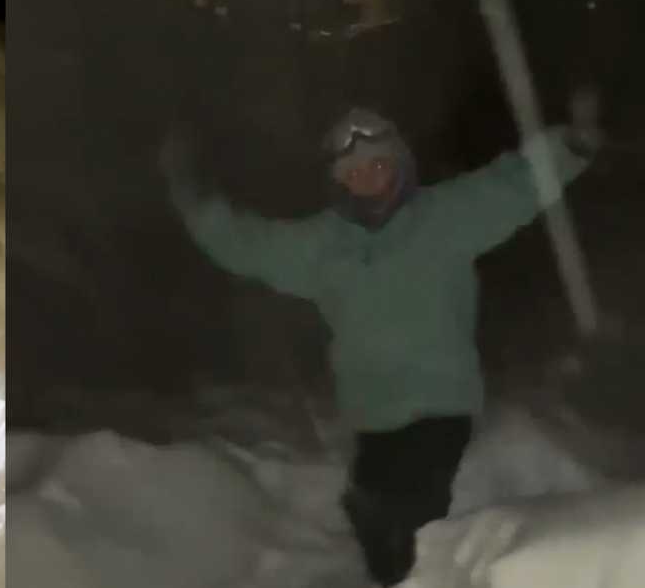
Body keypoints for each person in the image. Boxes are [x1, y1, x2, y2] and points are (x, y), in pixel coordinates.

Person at [161, 97, 602, 586]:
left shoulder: (445, 217)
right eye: (354, 171)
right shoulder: (323, 246)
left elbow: (513, 184)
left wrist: (572, 145)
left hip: (441, 405)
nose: (368, 176)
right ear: (338, 181)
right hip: (373, 413)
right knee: (374, 514)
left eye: (378, 164)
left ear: (399, 165)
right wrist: (194, 200)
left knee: (411, 514)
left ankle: (416, 575)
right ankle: (391, 562)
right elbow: (249, 245)